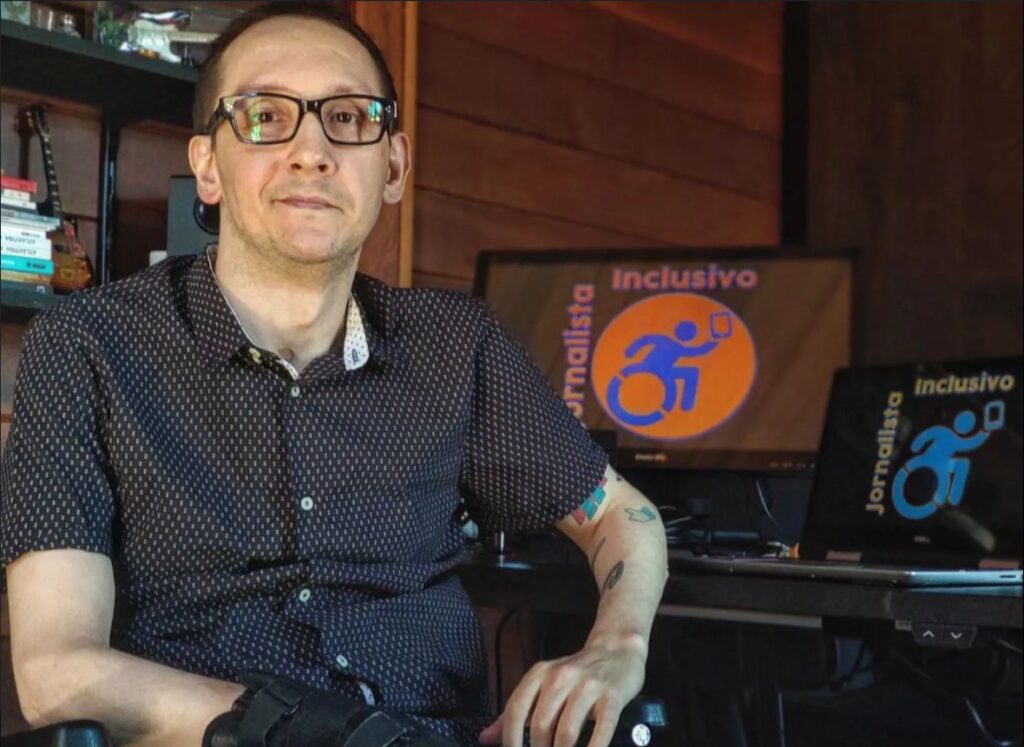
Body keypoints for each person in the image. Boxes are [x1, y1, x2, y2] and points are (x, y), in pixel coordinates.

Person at [0, 4, 668, 746]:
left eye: (348, 118)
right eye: (264, 117)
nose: (311, 151)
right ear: (207, 168)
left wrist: (616, 649)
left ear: (393, 167)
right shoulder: (88, 346)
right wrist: (317, 732)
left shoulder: (456, 346)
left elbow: (622, 518)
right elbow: (56, 669)